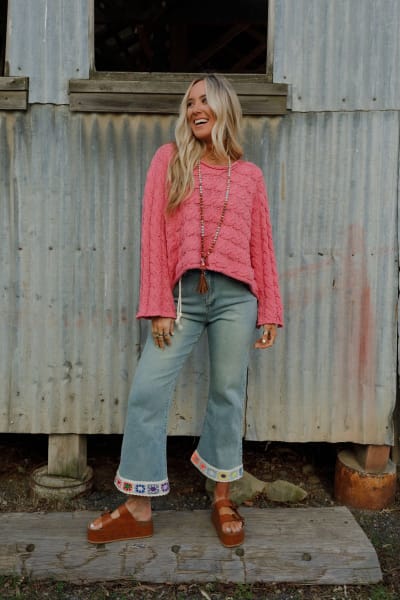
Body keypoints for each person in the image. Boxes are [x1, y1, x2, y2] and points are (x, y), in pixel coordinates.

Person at [88, 73, 283, 548]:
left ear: (224, 108)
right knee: (147, 390)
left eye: (204, 100)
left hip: (237, 298)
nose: (195, 108)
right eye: (190, 101)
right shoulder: (170, 160)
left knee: (227, 393)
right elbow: (153, 235)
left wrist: (271, 308)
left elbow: (261, 245)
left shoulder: (250, 176)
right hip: (182, 300)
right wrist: (158, 303)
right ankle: (138, 506)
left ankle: (222, 497)